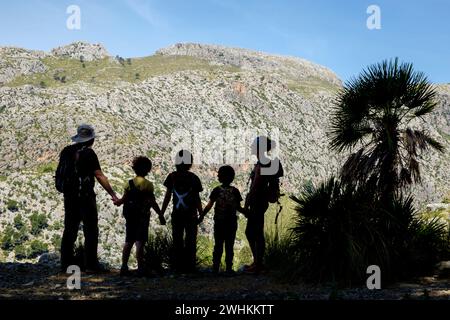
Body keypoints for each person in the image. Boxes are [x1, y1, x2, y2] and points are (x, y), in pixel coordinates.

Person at [56, 124, 118, 273]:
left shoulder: (66, 151)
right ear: (90, 140)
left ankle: (66, 264)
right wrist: (113, 194)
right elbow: (99, 175)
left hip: (69, 196)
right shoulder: (89, 153)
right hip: (85, 196)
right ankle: (91, 265)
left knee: (70, 229)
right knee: (91, 230)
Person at [114, 156, 166, 277]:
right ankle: (140, 268)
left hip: (130, 216)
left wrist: (118, 202)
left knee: (128, 240)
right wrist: (160, 214)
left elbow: (124, 199)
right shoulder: (148, 185)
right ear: (148, 170)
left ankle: (123, 266)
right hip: (142, 217)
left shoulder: (129, 183)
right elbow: (152, 202)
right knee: (140, 242)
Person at [244, 136, 283, 274]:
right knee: (253, 231)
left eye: (254, 145)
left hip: (257, 201)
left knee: (254, 232)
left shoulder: (262, 164)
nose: (251, 147)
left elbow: (256, 185)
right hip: (261, 201)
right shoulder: (264, 163)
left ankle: (259, 264)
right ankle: (258, 262)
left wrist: (247, 202)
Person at [161, 150, 203, 273]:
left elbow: (167, 196)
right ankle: (190, 267)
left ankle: (177, 267)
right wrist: (201, 213)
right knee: (191, 240)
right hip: (191, 215)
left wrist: (161, 212)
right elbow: (197, 198)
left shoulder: (172, 177)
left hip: (177, 214)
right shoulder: (194, 178)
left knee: (177, 240)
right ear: (190, 163)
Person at [198, 165, 246, 275]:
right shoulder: (235, 191)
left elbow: (209, 205)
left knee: (218, 245)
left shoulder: (216, 190)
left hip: (219, 223)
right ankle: (229, 268)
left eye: (219, 173)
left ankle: (216, 268)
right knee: (229, 245)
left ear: (223, 177)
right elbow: (238, 207)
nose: (217, 175)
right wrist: (247, 213)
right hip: (231, 223)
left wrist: (201, 216)